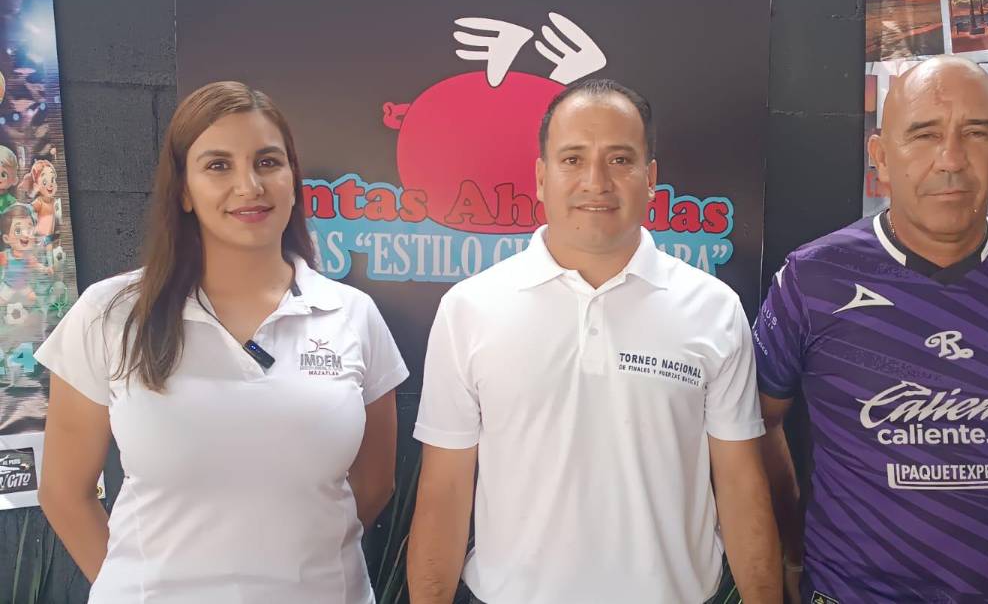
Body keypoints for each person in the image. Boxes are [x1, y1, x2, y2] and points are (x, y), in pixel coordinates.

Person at [407, 78, 781, 604]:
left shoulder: (713, 308)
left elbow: (742, 484)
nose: (596, 181)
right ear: (541, 178)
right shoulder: (469, 309)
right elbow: (443, 492)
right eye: (573, 159)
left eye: (620, 160)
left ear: (651, 179)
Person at [34, 81, 408, 604]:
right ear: (183, 191)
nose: (249, 185)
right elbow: (64, 492)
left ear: (293, 179)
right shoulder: (110, 314)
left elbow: (374, 485)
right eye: (218, 165)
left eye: (268, 162)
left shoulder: (353, 315)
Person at [757, 57, 988, 602]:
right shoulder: (814, 277)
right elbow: (760, 423)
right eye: (924, 135)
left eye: (976, 134)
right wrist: (793, 551)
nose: (951, 160)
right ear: (880, 158)